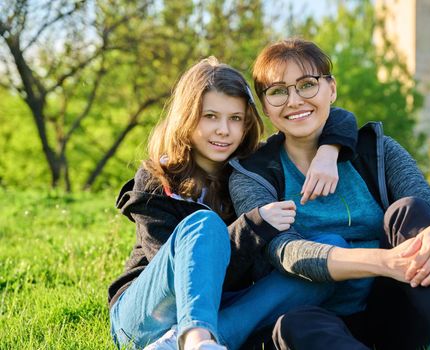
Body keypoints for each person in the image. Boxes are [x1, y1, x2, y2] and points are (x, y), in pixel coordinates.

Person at [228, 38, 430, 350]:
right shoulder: (253, 173)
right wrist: (385, 261)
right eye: (278, 91)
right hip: (317, 321)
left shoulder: (377, 150)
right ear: (264, 106)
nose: (294, 100)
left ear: (332, 89)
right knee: (293, 325)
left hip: (394, 308)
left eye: (307, 85)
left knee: (409, 210)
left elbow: (428, 201)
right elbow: (286, 252)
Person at [108, 56, 357, 350]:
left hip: (222, 308)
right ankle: (197, 338)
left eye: (235, 118)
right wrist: (253, 227)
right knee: (204, 225)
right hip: (147, 314)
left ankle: (190, 342)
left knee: (327, 253)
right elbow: (185, 277)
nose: (223, 130)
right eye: (210, 116)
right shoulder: (156, 180)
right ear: (186, 118)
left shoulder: (252, 172)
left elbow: (339, 116)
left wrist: (329, 151)